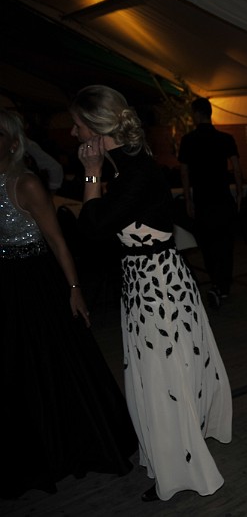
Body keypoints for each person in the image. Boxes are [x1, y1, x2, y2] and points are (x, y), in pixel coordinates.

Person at [71, 85, 233, 502]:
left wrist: (90, 172)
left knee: (163, 379)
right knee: (160, 375)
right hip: (147, 284)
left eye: (78, 125)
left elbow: (92, 228)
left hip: (158, 287)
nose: (73, 133)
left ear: (97, 128)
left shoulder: (135, 171)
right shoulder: (128, 165)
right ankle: (169, 452)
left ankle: (179, 469)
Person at [0, 108, 137, 499]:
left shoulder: (26, 183)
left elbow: (58, 240)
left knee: (49, 360)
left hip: (34, 278)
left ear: (13, 142)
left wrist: (74, 289)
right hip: (6, 279)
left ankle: (74, 442)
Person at [178, 97, 243, 308]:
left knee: (207, 245)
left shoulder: (188, 140)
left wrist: (188, 200)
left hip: (203, 200)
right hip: (223, 199)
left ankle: (216, 282)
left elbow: (184, 172)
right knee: (225, 244)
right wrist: (239, 193)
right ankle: (223, 285)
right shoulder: (225, 139)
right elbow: (236, 168)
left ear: (197, 115)